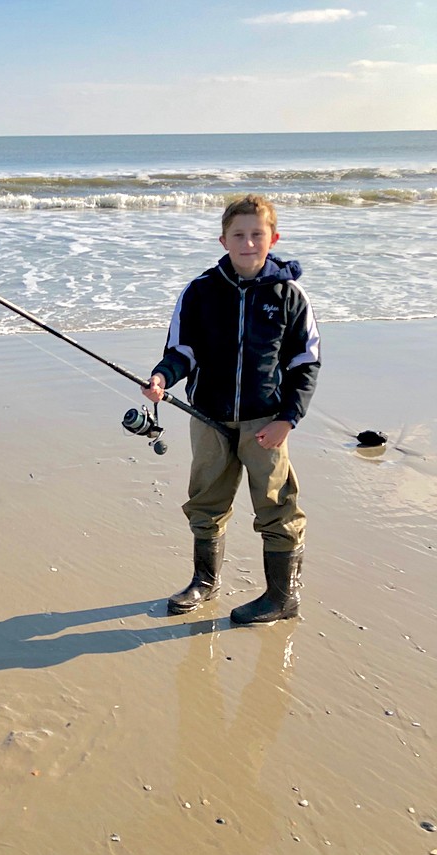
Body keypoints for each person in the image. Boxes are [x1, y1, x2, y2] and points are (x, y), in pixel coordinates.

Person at [142, 194, 320, 626]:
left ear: (273, 238)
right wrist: (163, 378)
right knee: (206, 501)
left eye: (256, 234)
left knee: (278, 505)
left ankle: (281, 596)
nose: (247, 242)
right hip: (209, 418)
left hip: (266, 422)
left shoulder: (289, 295)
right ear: (223, 240)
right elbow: (182, 350)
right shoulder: (200, 291)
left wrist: (287, 419)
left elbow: (305, 362)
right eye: (238, 235)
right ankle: (204, 582)